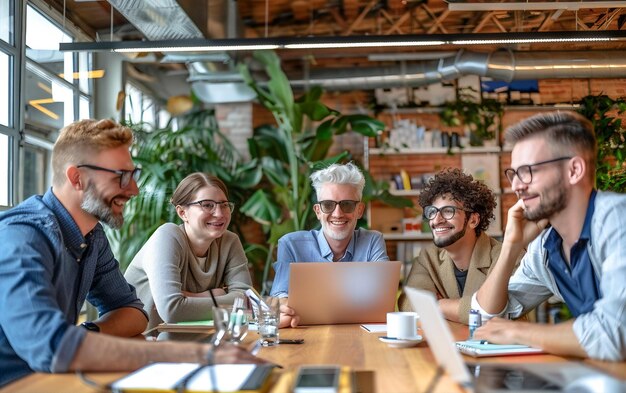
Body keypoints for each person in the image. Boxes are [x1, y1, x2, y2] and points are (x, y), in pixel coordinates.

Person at [0, 119, 260, 388]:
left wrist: (87, 333)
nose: (134, 190)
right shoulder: (22, 236)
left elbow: (133, 312)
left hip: (56, 379)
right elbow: (52, 347)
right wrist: (198, 354)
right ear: (77, 178)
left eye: (133, 175)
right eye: (120, 177)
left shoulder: (92, 237)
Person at [472, 111, 626, 361]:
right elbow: (485, 318)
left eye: (528, 171)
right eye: (514, 174)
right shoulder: (546, 247)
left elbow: (614, 334)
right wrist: (511, 246)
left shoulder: (617, 219)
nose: (517, 186)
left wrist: (520, 331)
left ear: (574, 170)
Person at [125, 173, 253, 331]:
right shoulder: (168, 236)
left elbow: (248, 302)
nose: (219, 213)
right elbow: (173, 311)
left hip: (193, 341)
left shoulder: (229, 241)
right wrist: (215, 295)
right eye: (207, 205)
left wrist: (191, 298)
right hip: (140, 345)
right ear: (182, 213)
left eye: (224, 204)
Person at [270, 162, 389, 328]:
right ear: (318, 211)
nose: (338, 214)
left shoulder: (372, 242)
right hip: (307, 337)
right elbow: (280, 295)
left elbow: (381, 297)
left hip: (360, 338)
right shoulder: (290, 244)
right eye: (328, 205)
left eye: (347, 204)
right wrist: (284, 306)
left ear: (359, 210)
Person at [398, 168, 505, 324]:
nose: (436, 220)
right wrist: (466, 308)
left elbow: (494, 312)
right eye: (432, 212)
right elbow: (408, 302)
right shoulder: (428, 257)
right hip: (450, 344)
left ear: (473, 220)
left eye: (448, 211)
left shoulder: (504, 257)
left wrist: (437, 305)